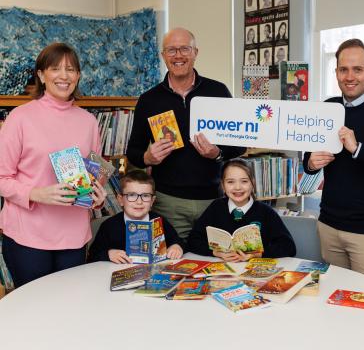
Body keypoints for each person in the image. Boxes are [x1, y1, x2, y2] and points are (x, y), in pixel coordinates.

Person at [0, 42, 107, 287]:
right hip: (28, 236)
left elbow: (96, 168)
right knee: (34, 314)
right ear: (41, 75)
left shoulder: (88, 121)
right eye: (55, 69)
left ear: (78, 76)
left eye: (70, 70)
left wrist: (97, 194)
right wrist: (36, 193)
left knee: (68, 310)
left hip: (74, 235)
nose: (64, 76)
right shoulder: (20, 118)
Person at [126, 28, 245, 241]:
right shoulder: (148, 100)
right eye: (171, 50)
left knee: (216, 261)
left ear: (195, 52)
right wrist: (147, 158)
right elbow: (133, 152)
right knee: (171, 262)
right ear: (163, 56)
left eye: (184, 49)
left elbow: (240, 145)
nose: (178, 55)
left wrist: (217, 153)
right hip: (167, 202)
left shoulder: (218, 92)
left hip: (213, 200)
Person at [303, 38, 364, 284]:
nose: (350, 76)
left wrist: (358, 149)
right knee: (332, 304)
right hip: (329, 227)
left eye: (357, 69)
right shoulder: (328, 108)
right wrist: (311, 163)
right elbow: (309, 156)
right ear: (336, 72)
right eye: (343, 69)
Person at [187, 158, 296, 262]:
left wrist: (257, 254)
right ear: (223, 186)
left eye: (244, 181)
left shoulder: (266, 212)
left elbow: (289, 247)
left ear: (252, 183)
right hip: (224, 269)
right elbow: (193, 240)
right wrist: (215, 252)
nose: (237, 187)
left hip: (254, 270)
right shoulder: (216, 207)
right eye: (230, 182)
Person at [87, 170, 184, 263]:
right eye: (132, 195)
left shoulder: (159, 221)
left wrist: (176, 246)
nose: (139, 202)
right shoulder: (109, 226)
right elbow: (92, 255)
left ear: (152, 201)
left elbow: (177, 240)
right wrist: (108, 254)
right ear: (120, 200)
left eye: (145, 196)